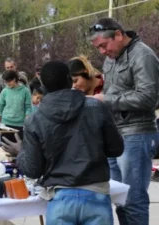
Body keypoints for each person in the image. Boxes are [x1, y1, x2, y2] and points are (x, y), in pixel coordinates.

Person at [2, 61, 124, 225]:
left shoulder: (35, 120)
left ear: (43, 86)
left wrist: (21, 151)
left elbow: (32, 170)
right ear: (69, 79)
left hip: (60, 199)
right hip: (95, 195)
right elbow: (116, 148)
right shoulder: (96, 107)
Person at [89, 17, 159, 225]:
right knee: (119, 198)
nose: (102, 51)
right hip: (115, 135)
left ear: (118, 35)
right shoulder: (111, 59)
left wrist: (105, 99)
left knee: (133, 198)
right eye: (98, 47)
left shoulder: (143, 55)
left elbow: (149, 98)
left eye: (104, 45)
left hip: (137, 134)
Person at [0, 70, 32, 143]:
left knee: (19, 149)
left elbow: (28, 108)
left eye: (9, 81)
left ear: (14, 79)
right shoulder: (5, 91)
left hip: (20, 125)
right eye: (6, 82)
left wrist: (26, 122)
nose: (7, 84)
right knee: (5, 148)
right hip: (6, 124)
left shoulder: (25, 91)